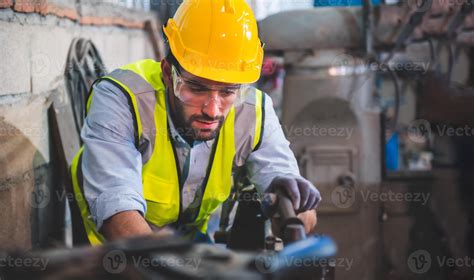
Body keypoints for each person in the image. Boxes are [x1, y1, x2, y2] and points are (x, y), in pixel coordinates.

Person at [70, 0, 321, 245]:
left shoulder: (254, 112)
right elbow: (117, 214)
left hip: (191, 246)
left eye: (228, 91)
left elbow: (304, 219)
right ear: (168, 73)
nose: (212, 111)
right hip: (115, 257)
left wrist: (292, 205)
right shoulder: (122, 99)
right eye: (196, 88)